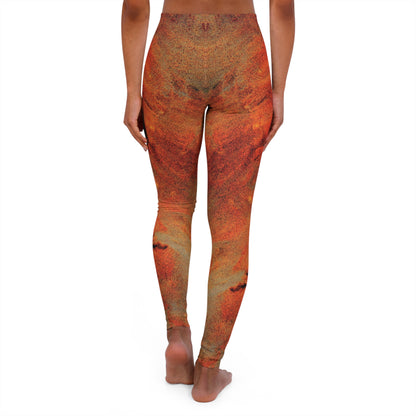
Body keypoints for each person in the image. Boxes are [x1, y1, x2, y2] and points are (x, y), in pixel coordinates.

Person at [121, 0, 295, 403]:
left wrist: (132, 91)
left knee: (173, 207)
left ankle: (177, 336)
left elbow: (135, 8)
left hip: (172, 56)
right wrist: (279, 89)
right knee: (232, 222)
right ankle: (209, 370)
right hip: (242, 58)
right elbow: (283, 6)